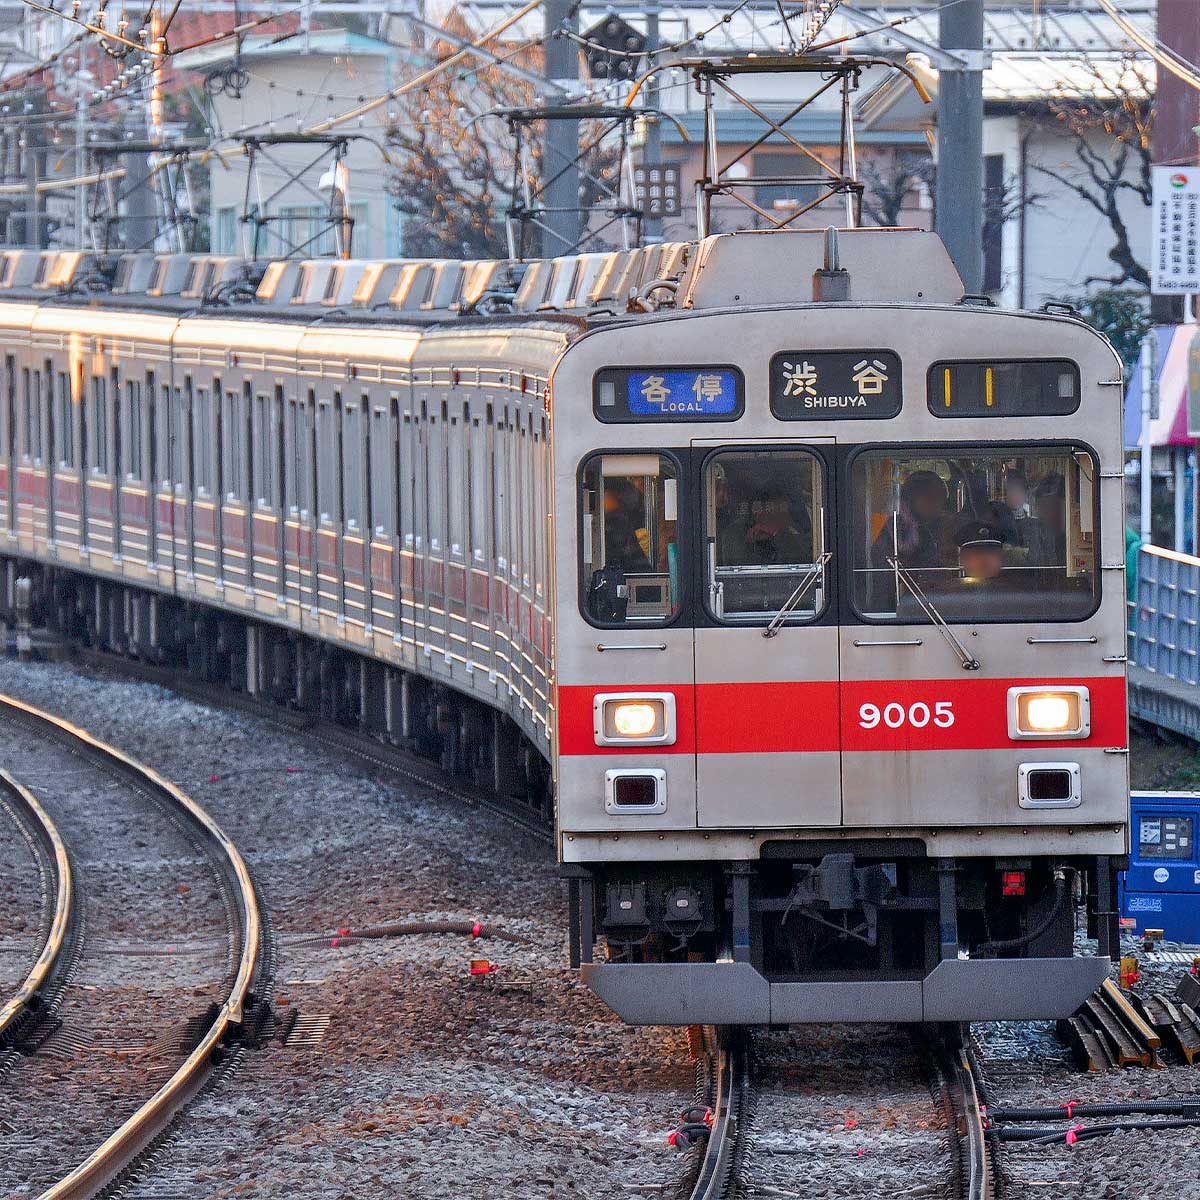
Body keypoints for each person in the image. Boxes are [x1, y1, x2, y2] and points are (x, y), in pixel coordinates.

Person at [871, 470, 951, 571]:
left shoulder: (925, 528)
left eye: (940, 498)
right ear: (911, 498)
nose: (937, 504)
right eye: (930, 497)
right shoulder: (896, 529)